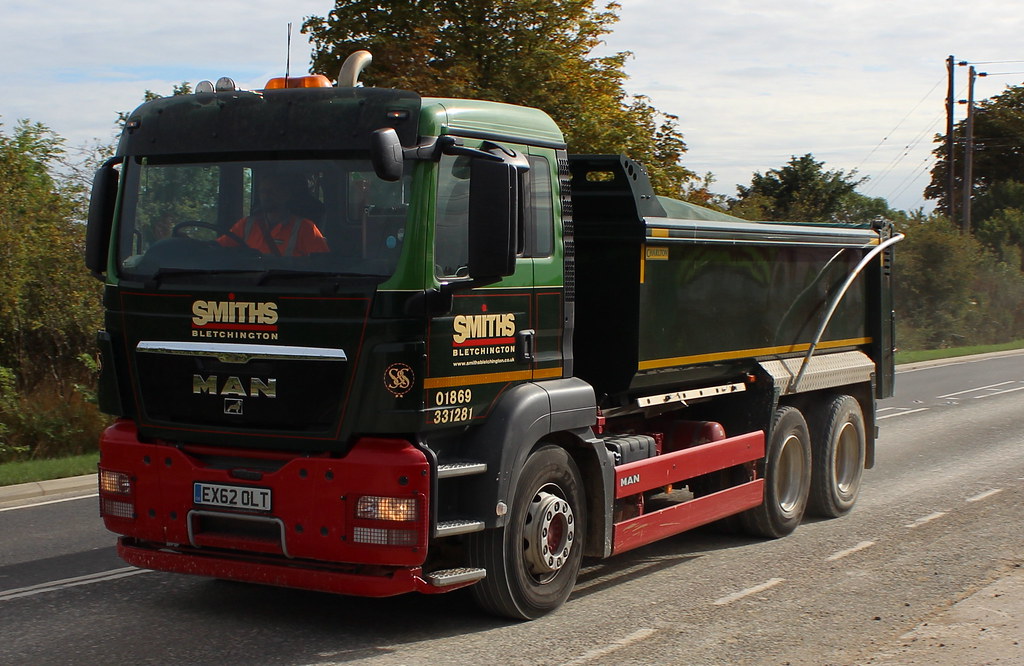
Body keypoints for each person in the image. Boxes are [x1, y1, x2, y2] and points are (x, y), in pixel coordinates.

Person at [219, 173, 329, 256]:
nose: (266, 196)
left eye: (273, 191)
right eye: (263, 191)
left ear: (286, 194)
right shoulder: (246, 224)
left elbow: (322, 263)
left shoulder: (305, 228)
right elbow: (218, 248)